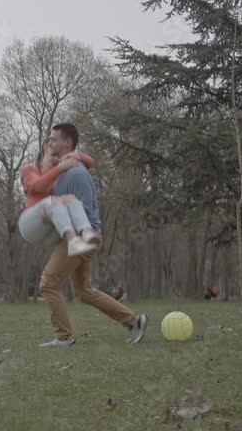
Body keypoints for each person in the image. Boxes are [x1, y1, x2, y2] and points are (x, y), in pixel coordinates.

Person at [37, 123, 148, 347]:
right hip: (76, 239)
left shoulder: (77, 174)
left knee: (48, 284)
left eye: (54, 139)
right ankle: (133, 320)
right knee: (84, 291)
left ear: (68, 142)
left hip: (82, 238)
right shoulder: (62, 172)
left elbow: (84, 212)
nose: (50, 142)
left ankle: (64, 336)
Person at [18, 137, 101, 257]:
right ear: (46, 147)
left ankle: (87, 232)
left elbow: (90, 162)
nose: (58, 158)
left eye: (60, 155)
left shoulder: (57, 173)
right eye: (54, 154)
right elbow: (37, 186)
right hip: (29, 224)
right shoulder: (30, 169)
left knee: (71, 198)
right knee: (54, 201)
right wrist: (60, 167)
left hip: (49, 230)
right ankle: (73, 241)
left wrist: (73, 155)